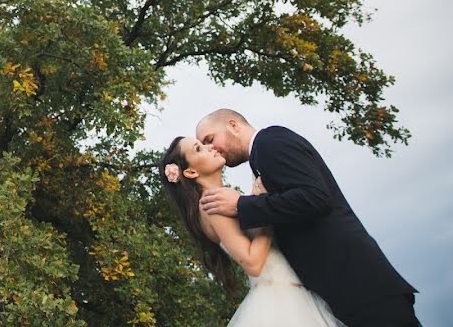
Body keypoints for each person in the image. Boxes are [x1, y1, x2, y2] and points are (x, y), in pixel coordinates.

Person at [196, 109, 418, 327]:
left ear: (233, 125)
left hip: (360, 284)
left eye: (210, 139)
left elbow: (315, 197)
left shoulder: (269, 142)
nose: (210, 148)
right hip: (340, 291)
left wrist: (241, 205)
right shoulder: (260, 157)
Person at [160, 135, 342, 326]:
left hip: (287, 295)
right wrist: (265, 212)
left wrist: (255, 203)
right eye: (198, 149)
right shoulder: (213, 203)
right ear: (190, 172)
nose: (210, 147)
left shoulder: (220, 200)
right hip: (280, 302)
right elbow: (253, 263)